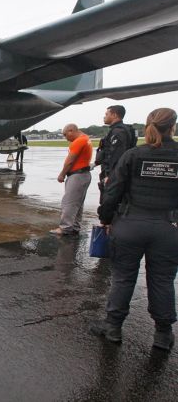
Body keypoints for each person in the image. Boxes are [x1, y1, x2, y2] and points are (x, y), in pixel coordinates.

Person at [90, 108, 178, 351]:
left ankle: (113, 326)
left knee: (122, 277)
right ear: (173, 127)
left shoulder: (133, 155)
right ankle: (163, 334)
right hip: (167, 228)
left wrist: (106, 219)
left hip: (130, 225)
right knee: (162, 280)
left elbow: (112, 192)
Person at [49, 123, 92, 236]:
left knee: (69, 203)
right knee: (77, 203)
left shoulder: (78, 141)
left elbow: (70, 161)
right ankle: (75, 226)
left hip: (77, 175)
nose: (65, 137)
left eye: (65, 134)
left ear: (71, 131)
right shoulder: (85, 138)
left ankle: (65, 228)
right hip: (83, 174)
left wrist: (62, 174)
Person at [94, 105, 136, 202]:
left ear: (114, 115)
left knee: (108, 202)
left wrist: (110, 175)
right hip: (114, 173)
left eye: (107, 114)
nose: (104, 116)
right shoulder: (117, 130)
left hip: (113, 175)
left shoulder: (118, 132)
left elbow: (116, 156)